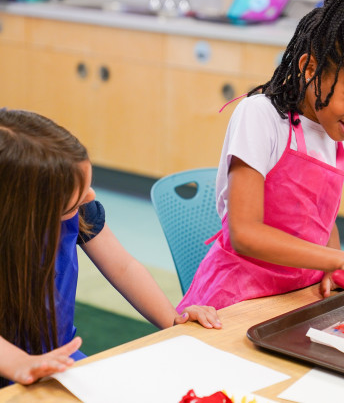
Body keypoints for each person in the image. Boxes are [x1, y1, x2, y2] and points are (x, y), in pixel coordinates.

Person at [177, 0, 344, 313]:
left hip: (296, 297)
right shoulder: (262, 116)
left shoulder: (339, 128)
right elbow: (245, 233)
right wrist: (341, 259)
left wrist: (332, 266)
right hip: (234, 299)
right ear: (310, 68)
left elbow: (321, 221)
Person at [0, 108, 221, 387]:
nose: (90, 196)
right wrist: (19, 363)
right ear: (27, 211)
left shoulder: (79, 210)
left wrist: (174, 322)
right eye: (74, 198)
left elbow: (123, 267)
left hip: (58, 362)